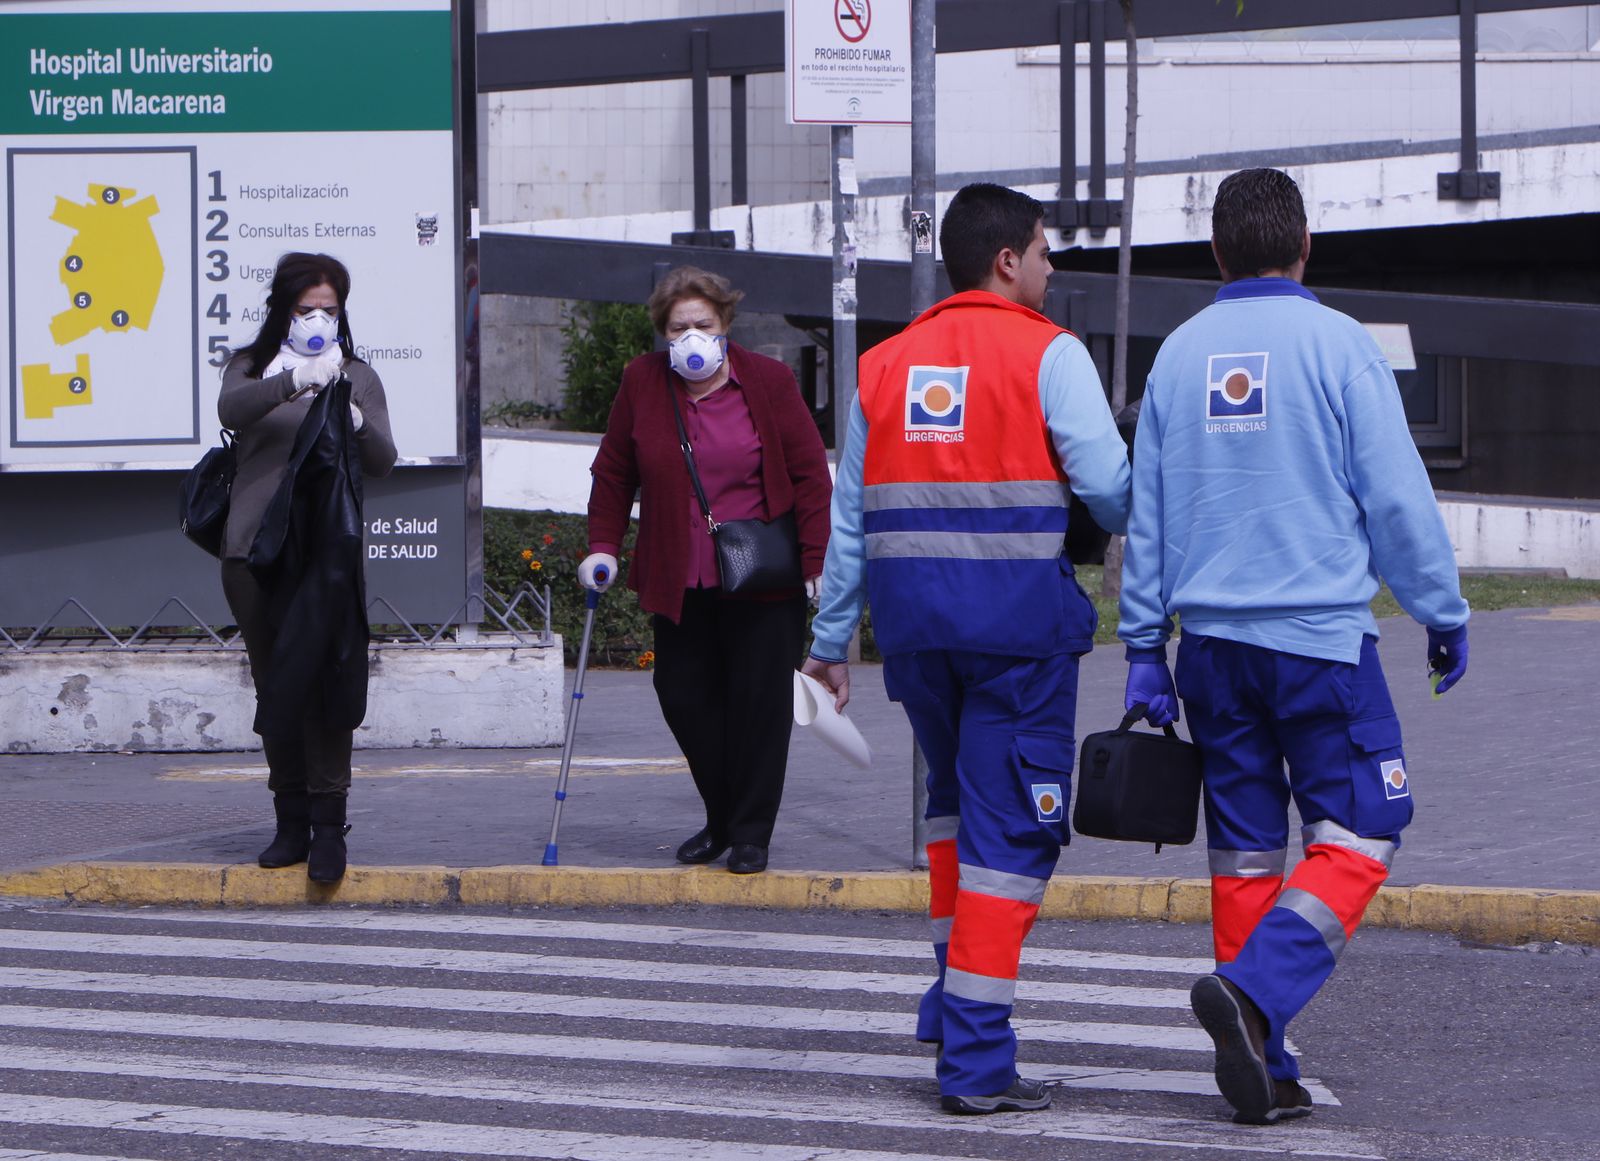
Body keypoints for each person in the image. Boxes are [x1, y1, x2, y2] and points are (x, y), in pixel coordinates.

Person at [1118, 168, 1470, 1125]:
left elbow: (1149, 516)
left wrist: (1144, 647)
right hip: (1318, 644)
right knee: (1362, 831)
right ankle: (1256, 994)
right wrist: (1441, 611)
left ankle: (1265, 1066)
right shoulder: (1340, 347)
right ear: (1305, 244)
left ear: (1219, 253)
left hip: (1211, 654)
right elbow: (1395, 499)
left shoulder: (1179, 357)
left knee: (1242, 853)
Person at [802, 183, 1132, 1115]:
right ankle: (978, 1061)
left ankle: (953, 1008)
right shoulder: (1048, 354)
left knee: (953, 817)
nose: (1051, 265)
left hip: (917, 645)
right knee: (1012, 841)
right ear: (1005, 261)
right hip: (1018, 641)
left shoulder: (882, 366)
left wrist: (831, 643)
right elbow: (1110, 489)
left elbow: (853, 521)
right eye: (1043, 250)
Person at [579, 266, 832, 875]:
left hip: (762, 576)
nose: (690, 336)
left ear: (725, 326)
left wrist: (817, 561)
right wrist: (603, 545)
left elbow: (809, 476)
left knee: (758, 705)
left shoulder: (767, 381)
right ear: (663, 332)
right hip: (680, 575)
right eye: (677, 327)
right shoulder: (643, 381)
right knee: (684, 697)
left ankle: (749, 833)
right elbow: (614, 472)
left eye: (702, 325)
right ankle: (722, 814)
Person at [219, 252, 397, 883]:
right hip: (254, 552)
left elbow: (383, 458)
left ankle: (328, 828)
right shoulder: (252, 366)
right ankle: (288, 821)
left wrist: (350, 413)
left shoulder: (358, 374)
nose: (318, 319)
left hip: (326, 555)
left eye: (329, 308)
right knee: (277, 688)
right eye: (305, 309)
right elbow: (230, 412)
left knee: (327, 685)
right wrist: (293, 381)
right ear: (283, 311)